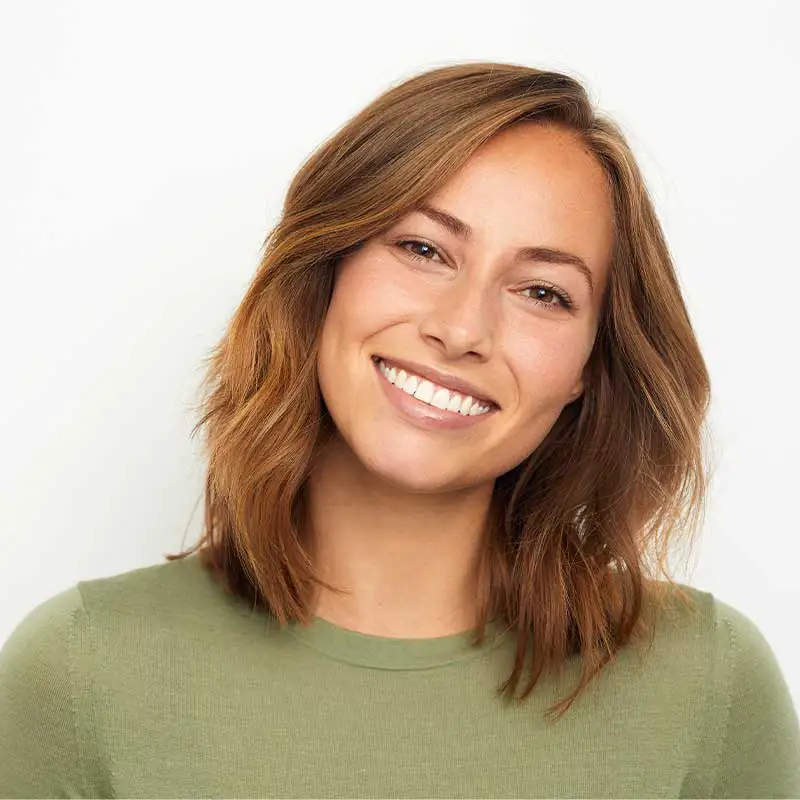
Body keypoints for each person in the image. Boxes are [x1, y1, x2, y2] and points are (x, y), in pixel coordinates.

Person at [1, 61, 798, 799]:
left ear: (591, 365)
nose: (461, 330)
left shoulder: (707, 688)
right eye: (422, 248)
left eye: (544, 293)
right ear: (327, 272)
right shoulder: (83, 672)